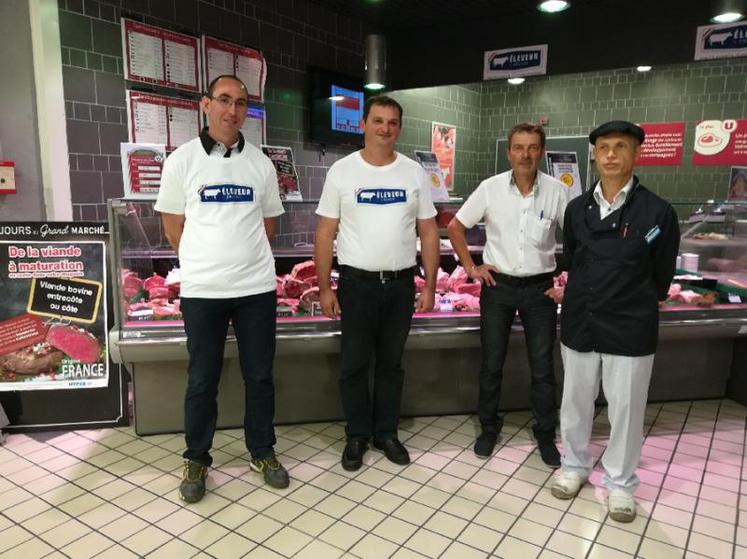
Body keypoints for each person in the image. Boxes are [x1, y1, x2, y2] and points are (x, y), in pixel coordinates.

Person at [155, 75, 289, 503]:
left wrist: (241, 257)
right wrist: (205, 259)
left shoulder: (261, 165)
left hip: (255, 288)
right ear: (205, 104)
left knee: (260, 376)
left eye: (241, 103)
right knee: (201, 379)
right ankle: (196, 457)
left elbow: (269, 225)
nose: (233, 110)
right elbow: (173, 225)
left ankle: (262, 450)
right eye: (225, 100)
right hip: (203, 290)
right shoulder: (182, 161)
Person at [550, 121, 679, 522]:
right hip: (580, 320)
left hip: (630, 322)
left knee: (625, 409)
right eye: (603, 147)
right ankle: (574, 465)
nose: (610, 154)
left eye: (620, 146)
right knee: (575, 402)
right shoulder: (577, 209)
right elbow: (572, 257)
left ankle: (621, 484)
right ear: (594, 153)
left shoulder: (657, 211)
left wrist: (639, 299)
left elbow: (662, 275)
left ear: (635, 154)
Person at [314, 95, 440, 471]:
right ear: (364, 124)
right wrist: (324, 287)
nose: (385, 128)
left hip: (401, 285)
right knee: (353, 364)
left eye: (392, 122)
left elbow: (429, 232)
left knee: (391, 364)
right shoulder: (342, 171)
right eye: (378, 121)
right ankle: (357, 434)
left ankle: (387, 432)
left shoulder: (413, 172)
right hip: (356, 284)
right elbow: (325, 233)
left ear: (399, 127)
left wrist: (430, 285)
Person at [447, 123, 568, 467]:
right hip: (497, 288)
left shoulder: (558, 192)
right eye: (518, 147)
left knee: (543, 366)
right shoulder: (490, 188)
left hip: (541, 288)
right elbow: (455, 227)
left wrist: (566, 285)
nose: (525, 154)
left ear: (541, 152)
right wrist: (472, 268)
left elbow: (579, 238)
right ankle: (488, 426)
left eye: (532, 147)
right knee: (491, 363)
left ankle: (545, 432)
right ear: (509, 152)